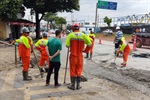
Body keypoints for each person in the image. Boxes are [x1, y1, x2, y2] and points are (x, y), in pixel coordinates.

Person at [66, 23, 92, 90]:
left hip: (73, 56)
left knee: (72, 70)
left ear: (73, 29)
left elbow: (67, 45)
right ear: (79, 28)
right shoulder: (83, 35)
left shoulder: (70, 35)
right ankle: (78, 85)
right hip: (80, 56)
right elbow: (90, 44)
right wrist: (85, 51)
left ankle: (72, 85)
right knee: (79, 70)